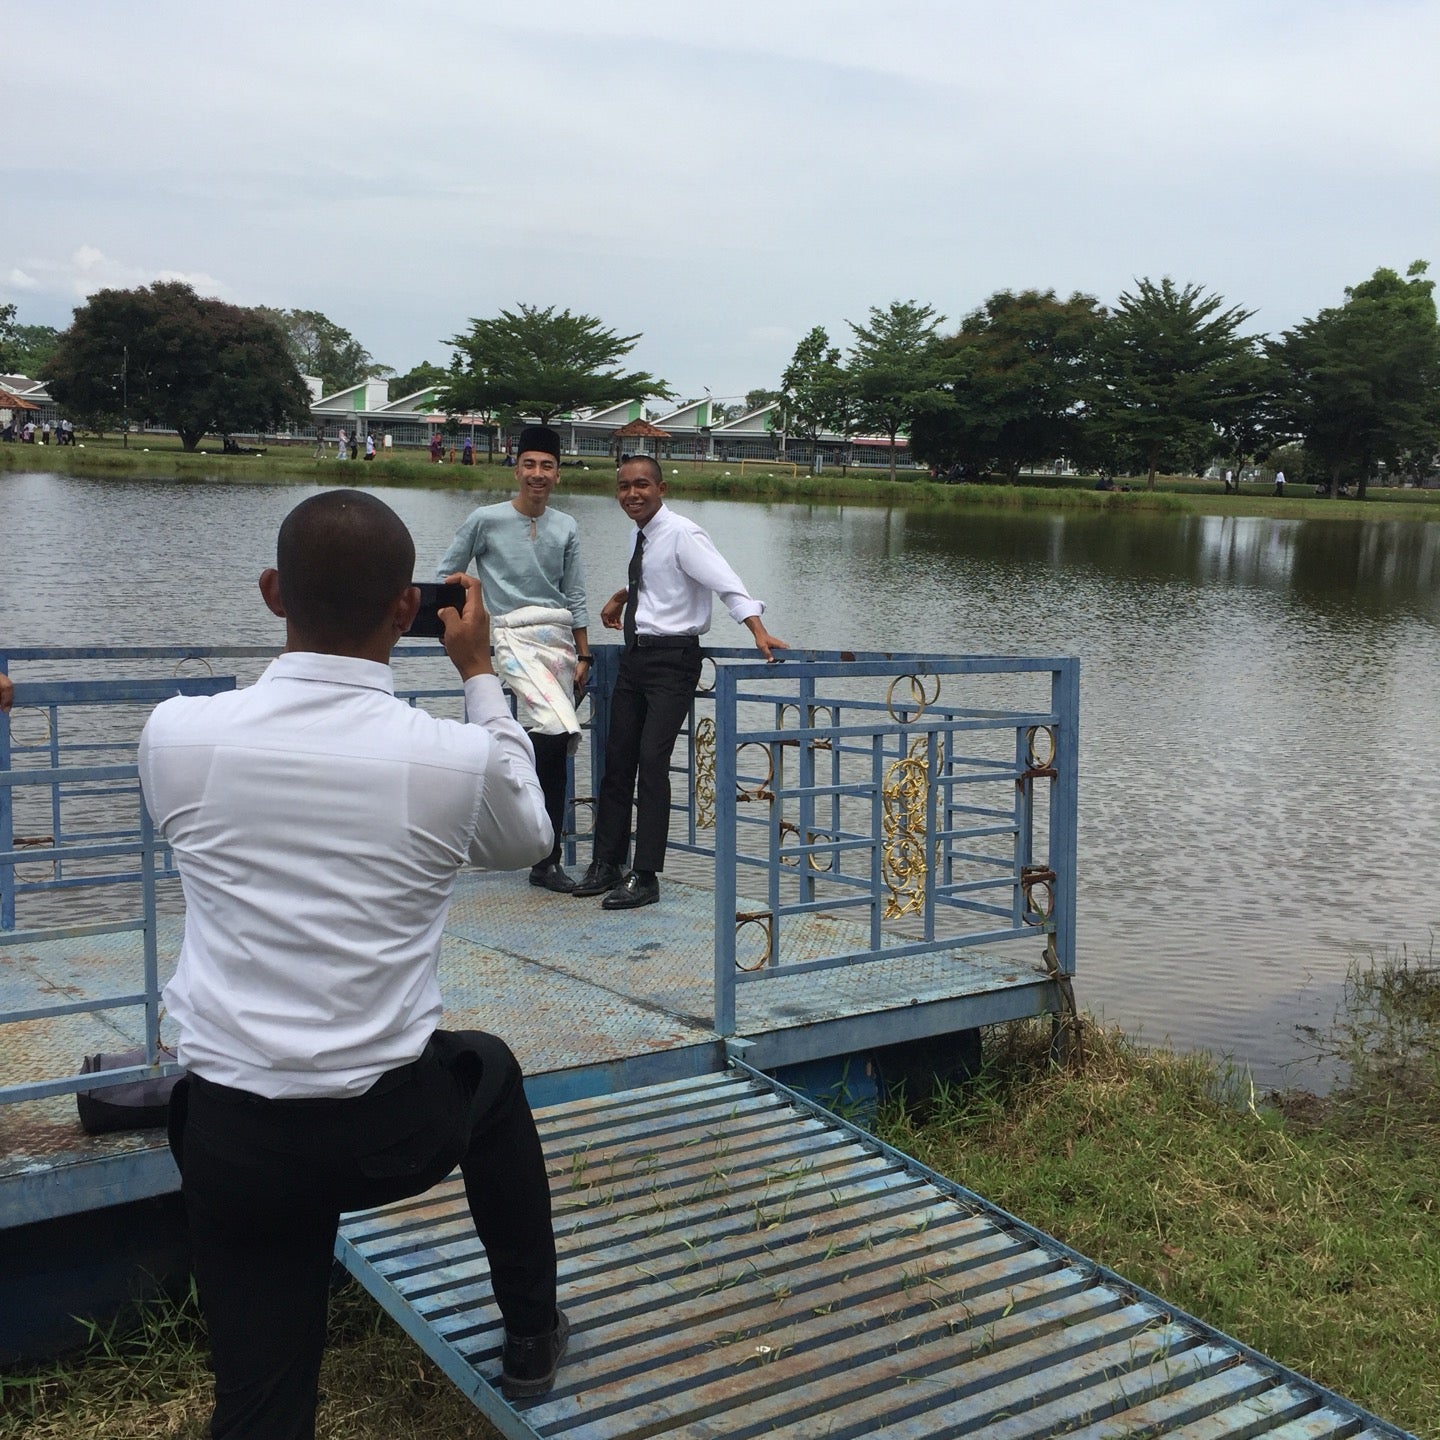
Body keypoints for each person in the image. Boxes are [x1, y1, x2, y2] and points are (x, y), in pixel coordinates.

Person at [140, 490, 568, 1438]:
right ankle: (533, 1330)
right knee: (488, 1072)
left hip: (233, 1136)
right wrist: (481, 675)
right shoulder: (451, 759)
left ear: (270, 594)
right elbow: (526, 839)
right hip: (390, 1133)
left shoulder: (178, 734)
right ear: (407, 610)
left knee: (259, 1396)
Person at [573, 456, 788, 910]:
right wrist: (623, 596)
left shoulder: (684, 533)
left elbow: (726, 582)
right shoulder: (643, 534)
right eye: (624, 487)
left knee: (652, 761)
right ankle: (606, 863)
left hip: (673, 661)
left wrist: (756, 629)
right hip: (635, 657)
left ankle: (645, 874)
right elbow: (662, 580)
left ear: (661, 488)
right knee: (617, 760)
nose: (632, 494)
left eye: (642, 485)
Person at [437, 424, 589, 893]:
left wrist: (585, 652)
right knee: (511, 739)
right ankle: (484, 844)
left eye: (546, 466)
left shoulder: (566, 526)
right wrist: (477, 622)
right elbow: (448, 576)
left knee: (553, 747)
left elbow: (575, 593)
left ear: (558, 474)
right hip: (504, 642)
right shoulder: (485, 519)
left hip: (555, 643)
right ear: (516, 467)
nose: (537, 474)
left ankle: (547, 859)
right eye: (529, 465)